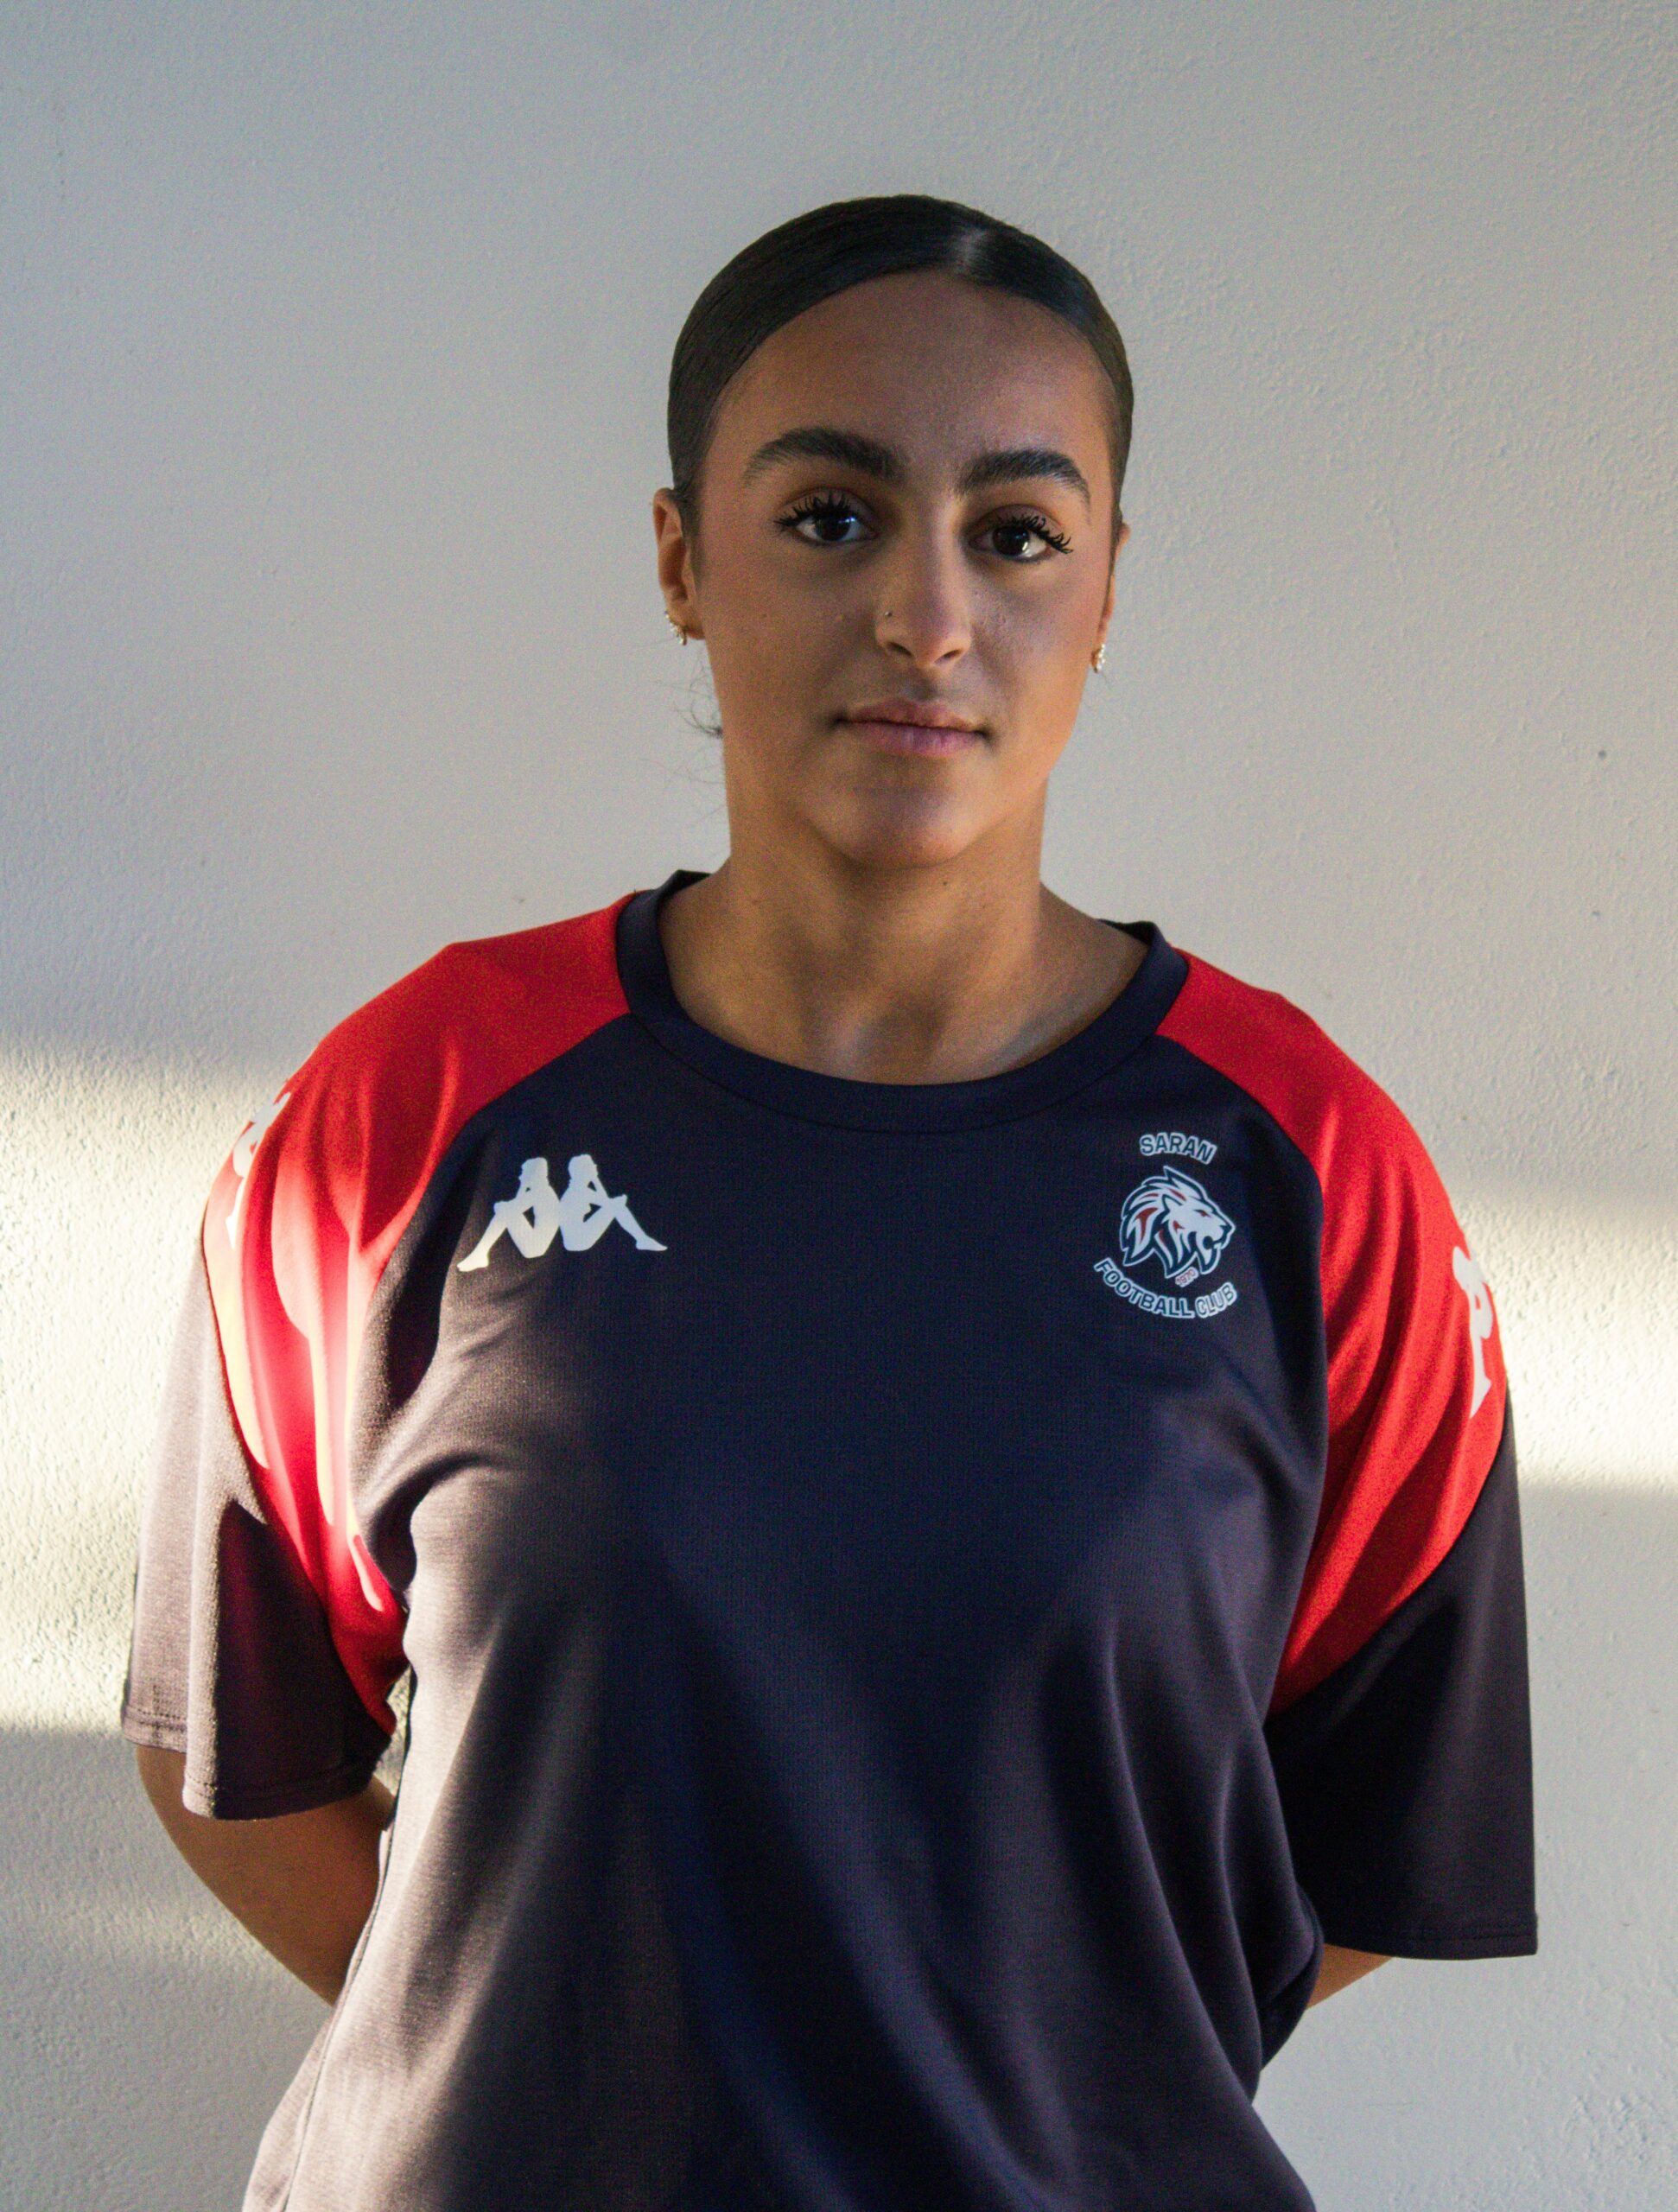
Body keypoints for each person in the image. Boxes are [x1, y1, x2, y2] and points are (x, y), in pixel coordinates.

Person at [121, 193, 1537, 2212]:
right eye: (828, 516)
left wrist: (1033, 2091)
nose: (924, 616)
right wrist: (522, 2054)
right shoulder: (411, 1109)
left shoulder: (1302, 1165)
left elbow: (1369, 1834)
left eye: (1015, 532)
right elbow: (232, 1748)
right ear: (682, 561)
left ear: (1105, 589)